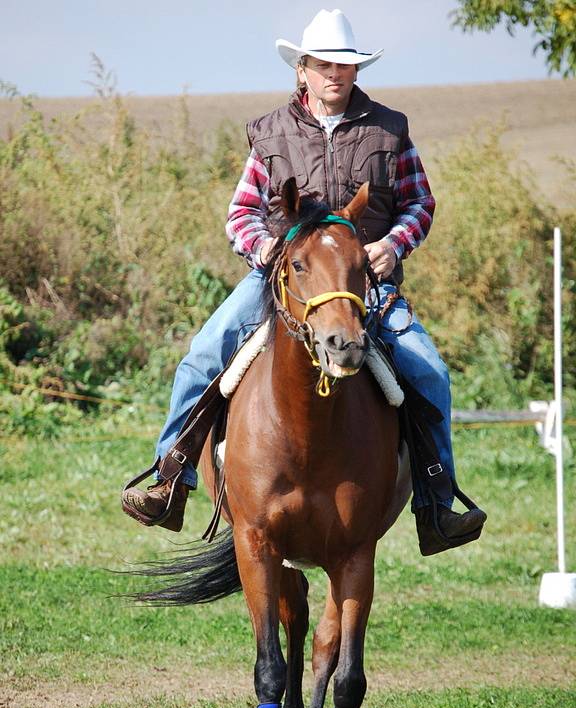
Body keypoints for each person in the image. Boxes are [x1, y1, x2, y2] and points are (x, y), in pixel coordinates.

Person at [122, 9, 486, 555]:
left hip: (361, 284)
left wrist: (392, 244)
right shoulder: (271, 131)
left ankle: (436, 505)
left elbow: (419, 203)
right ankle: (171, 477)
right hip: (282, 279)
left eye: (344, 65)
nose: (334, 74)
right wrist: (262, 248)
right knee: (202, 355)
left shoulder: (389, 130)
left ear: (356, 71)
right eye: (322, 65)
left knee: (430, 372)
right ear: (303, 70)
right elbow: (241, 212)